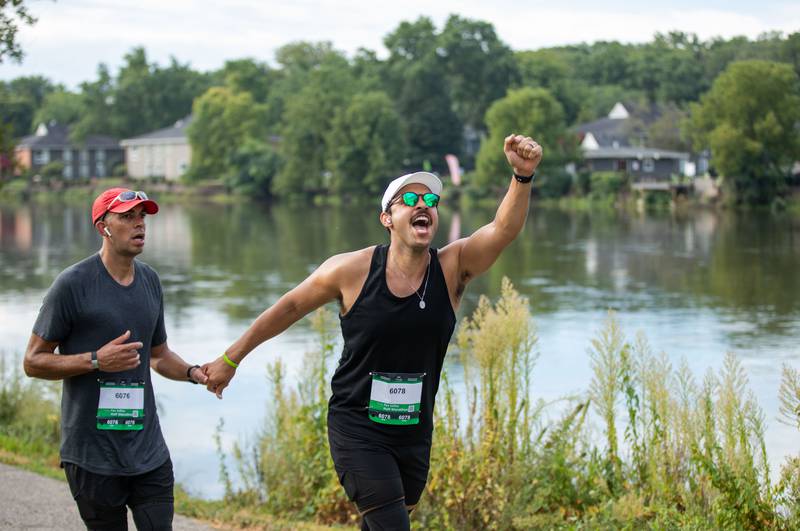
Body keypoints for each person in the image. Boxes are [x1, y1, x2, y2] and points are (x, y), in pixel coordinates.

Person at [202, 134, 542, 530]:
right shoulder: (350, 270)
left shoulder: (452, 268)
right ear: (387, 218)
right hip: (357, 425)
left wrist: (522, 177)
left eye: (430, 202)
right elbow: (290, 307)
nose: (423, 207)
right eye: (410, 201)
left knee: (383, 523)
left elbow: (502, 230)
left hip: (414, 429)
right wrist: (230, 358)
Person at [23, 188, 208, 531]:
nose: (139, 225)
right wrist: (95, 361)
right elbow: (33, 362)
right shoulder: (72, 285)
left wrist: (194, 373)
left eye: (142, 217)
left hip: (147, 450)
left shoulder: (150, 281)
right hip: (92, 454)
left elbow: (159, 355)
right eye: (127, 217)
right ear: (102, 227)